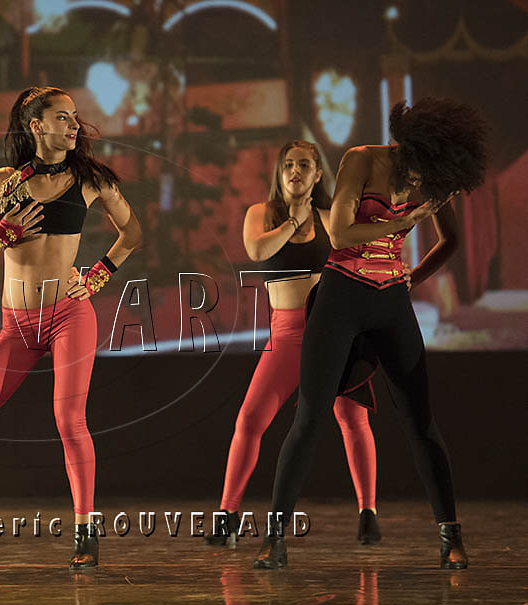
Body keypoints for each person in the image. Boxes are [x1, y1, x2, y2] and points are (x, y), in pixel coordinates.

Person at [0, 86, 142, 571]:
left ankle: (86, 531)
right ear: (36, 126)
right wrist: (2, 234)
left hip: (68, 315)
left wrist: (99, 274)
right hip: (16, 326)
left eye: (75, 117)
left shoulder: (91, 179)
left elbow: (132, 233)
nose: (74, 125)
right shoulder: (7, 180)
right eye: (62, 117)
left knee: (69, 420)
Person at [254, 98, 488, 569]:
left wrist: (413, 277)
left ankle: (451, 537)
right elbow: (341, 234)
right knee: (311, 417)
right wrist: (404, 221)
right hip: (341, 296)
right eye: (417, 170)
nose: (419, 182)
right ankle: (274, 538)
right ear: (409, 147)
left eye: (429, 176)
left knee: (420, 422)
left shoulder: (435, 178)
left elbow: (452, 241)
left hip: (390, 302)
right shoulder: (362, 159)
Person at [205, 141, 379, 549]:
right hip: (285, 334)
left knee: (352, 419)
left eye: (304, 165)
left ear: (318, 175)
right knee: (249, 420)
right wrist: (292, 221)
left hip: (331, 332)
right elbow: (256, 250)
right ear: (279, 173)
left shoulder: (330, 219)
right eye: (288, 165)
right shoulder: (261, 214)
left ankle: (368, 512)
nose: (295, 171)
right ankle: (227, 514)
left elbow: (360, 267)